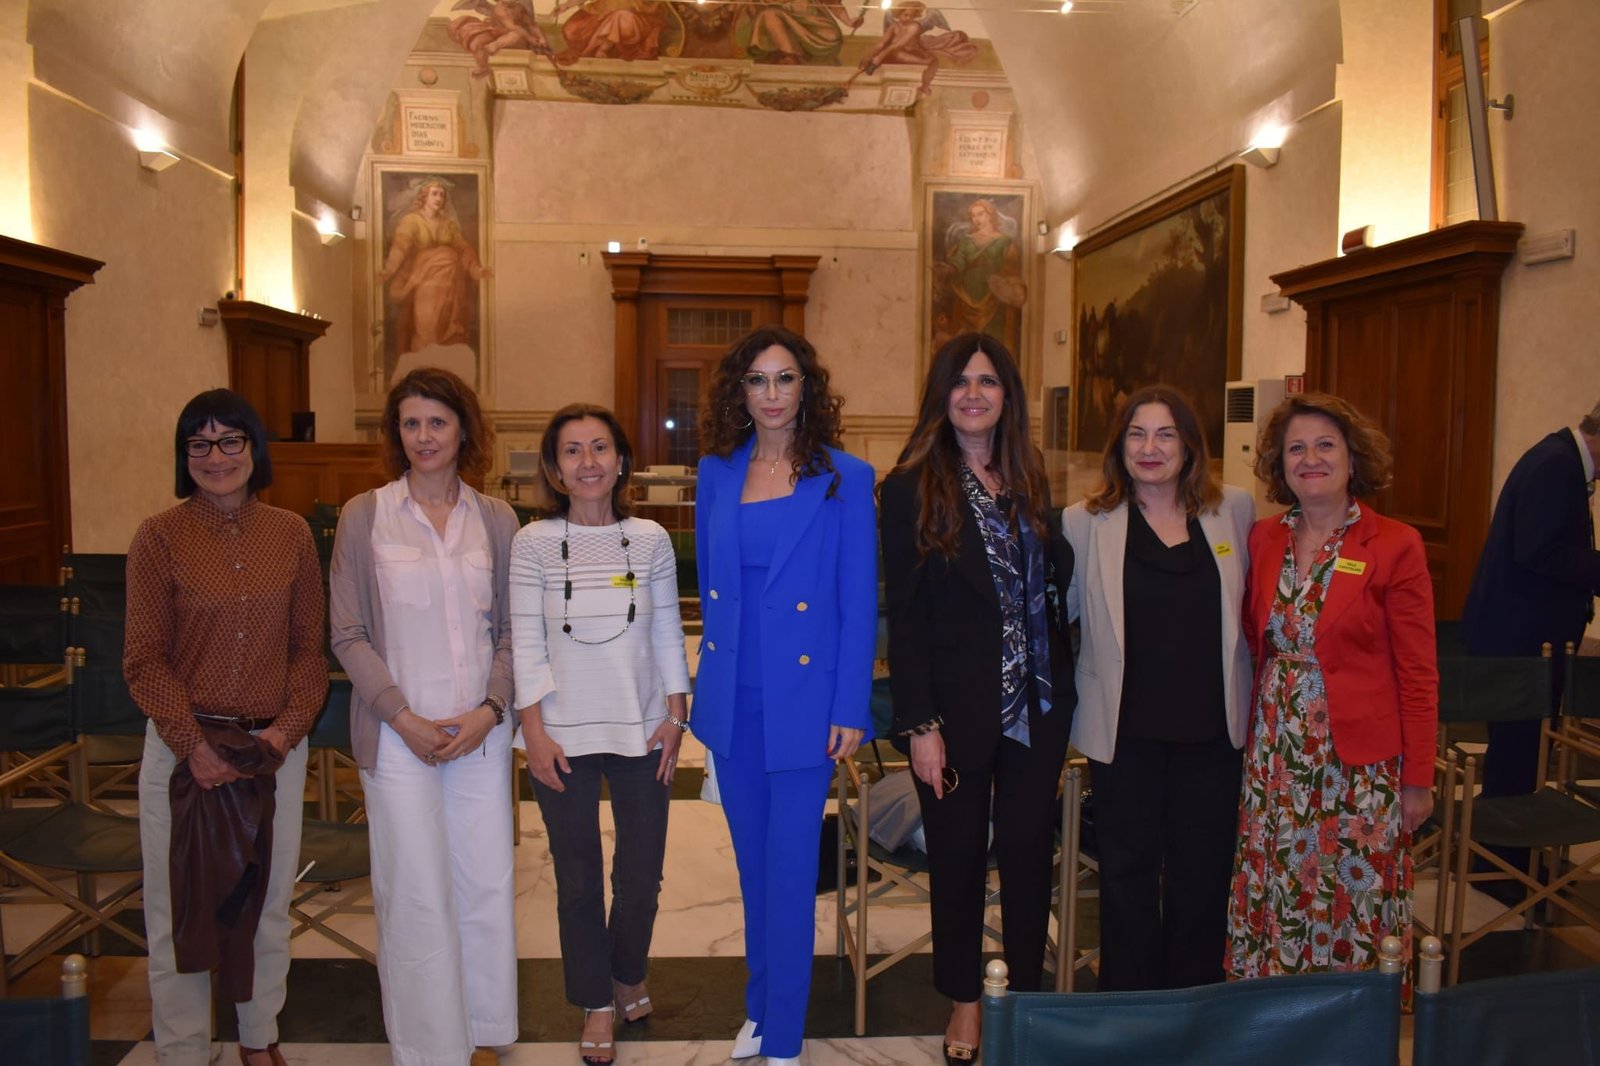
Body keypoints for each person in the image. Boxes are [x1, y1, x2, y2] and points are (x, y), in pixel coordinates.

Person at [879, 332, 1076, 1063]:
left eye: (987, 381)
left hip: (1038, 708)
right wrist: (919, 724)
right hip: (953, 712)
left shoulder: (1028, 477)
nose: (973, 393)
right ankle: (966, 1000)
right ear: (942, 394)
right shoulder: (909, 487)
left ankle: (1019, 996)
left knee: (1027, 853)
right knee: (959, 857)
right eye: (960, 381)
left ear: (1006, 396)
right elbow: (906, 617)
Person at [124, 389, 328, 1066]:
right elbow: (144, 658)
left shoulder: (291, 533)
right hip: (183, 751)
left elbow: (307, 653)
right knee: (175, 909)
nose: (217, 457)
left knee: (266, 901)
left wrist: (284, 733)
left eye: (230, 440)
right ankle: (183, 1050)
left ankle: (257, 1037)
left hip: (271, 750)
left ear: (253, 447)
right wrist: (193, 745)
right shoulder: (159, 536)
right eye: (200, 444)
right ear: (184, 455)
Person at [692, 325, 877, 1066]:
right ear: (739, 392)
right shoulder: (716, 472)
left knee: (792, 870)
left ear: (807, 388)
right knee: (752, 868)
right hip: (734, 699)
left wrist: (850, 705)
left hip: (804, 702)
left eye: (785, 378)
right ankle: (761, 1009)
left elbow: (858, 601)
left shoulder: (845, 477)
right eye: (757, 380)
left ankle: (787, 1036)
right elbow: (713, 587)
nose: (771, 394)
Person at [329, 367, 520, 1064]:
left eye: (437, 421)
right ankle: (428, 1046)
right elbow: (347, 633)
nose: (424, 436)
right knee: (414, 890)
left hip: (479, 734)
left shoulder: (497, 519)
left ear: (463, 429)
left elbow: (514, 632)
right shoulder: (365, 515)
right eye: (410, 423)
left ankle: (482, 1031)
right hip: (396, 737)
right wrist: (402, 717)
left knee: (484, 883)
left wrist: (490, 710)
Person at [1226, 392, 1437, 991]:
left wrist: (1418, 776)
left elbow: (1419, 671)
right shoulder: (1263, 538)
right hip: (1276, 758)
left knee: (1351, 890)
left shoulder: (1394, 543)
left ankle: (1348, 1021)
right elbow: (1255, 638)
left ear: (1352, 457)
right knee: (1281, 885)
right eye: (1296, 448)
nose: (1310, 459)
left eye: (1325, 445)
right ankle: (1274, 1013)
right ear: (1279, 463)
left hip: (1358, 768)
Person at [508, 404, 692, 1065]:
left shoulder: (650, 539)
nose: (587, 462)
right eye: (572, 450)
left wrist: (677, 717)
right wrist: (532, 730)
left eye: (600, 447)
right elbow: (525, 642)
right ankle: (595, 1001)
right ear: (554, 468)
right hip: (559, 735)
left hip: (643, 731)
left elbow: (667, 629)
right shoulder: (532, 542)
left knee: (641, 876)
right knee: (579, 880)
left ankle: (627, 972)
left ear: (620, 461)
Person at [1062, 385, 1254, 991]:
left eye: (1166, 434)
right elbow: (1057, 615)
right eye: (1137, 434)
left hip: (1213, 732)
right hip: (1125, 734)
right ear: (1119, 446)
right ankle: (1129, 1007)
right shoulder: (1084, 522)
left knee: (1203, 876)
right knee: (1126, 876)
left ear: (1190, 446)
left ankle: (1193, 1004)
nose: (1151, 448)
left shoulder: (1235, 510)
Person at [1460, 401, 1600, 810]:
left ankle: (1502, 840)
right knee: (1517, 761)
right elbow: (1539, 551)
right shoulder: (1557, 464)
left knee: (1519, 758)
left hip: (1523, 640)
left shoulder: (1559, 457)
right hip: (1521, 645)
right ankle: (1501, 846)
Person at [379, 177, 491, 371]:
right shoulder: (412, 221)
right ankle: (421, 372)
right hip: (424, 284)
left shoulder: (448, 225)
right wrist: (388, 270)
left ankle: (445, 374)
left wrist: (476, 269)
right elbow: (400, 248)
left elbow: (464, 249)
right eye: (434, 194)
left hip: (450, 287)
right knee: (426, 329)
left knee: (448, 331)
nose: (439, 198)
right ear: (424, 196)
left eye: (442, 195)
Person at [931, 198, 1025, 356]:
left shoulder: (1004, 242)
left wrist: (1005, 285)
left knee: (994, 342)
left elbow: (1011, 269)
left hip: (993, 298)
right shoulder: (966, 241)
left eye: (980, 214)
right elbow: (958, 262)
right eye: (973, 216)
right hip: (967, 296)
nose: (976, 219)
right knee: (965, 345)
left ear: (990, 215)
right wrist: (949, 269)